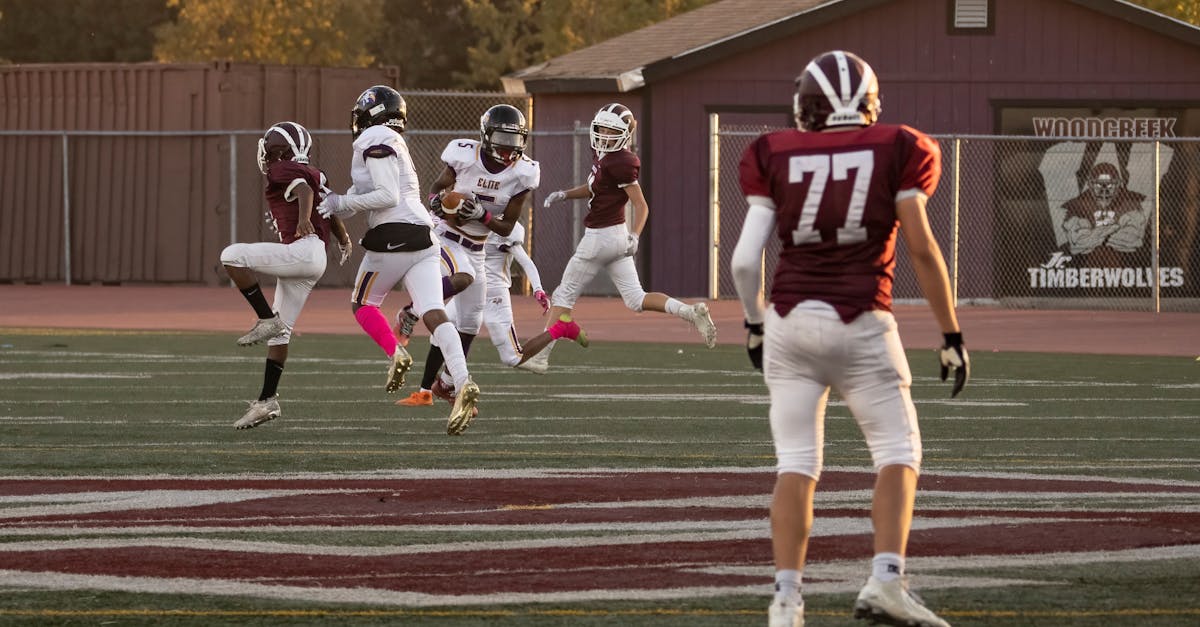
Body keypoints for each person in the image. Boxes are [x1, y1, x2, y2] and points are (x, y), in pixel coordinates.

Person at [730, 51, 969, 627]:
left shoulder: (772, 151)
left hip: (788, 321)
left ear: (805, 106)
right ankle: (886, 580)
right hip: (862, 321)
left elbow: (743, 261)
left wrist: (755, 322)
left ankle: (786, 601)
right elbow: (921, 248)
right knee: (897, 451)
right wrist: (950, 332)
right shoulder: (900, 147)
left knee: (796, 463)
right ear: (869, 104)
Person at [316, 85, 479, 436]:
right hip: (423, 236)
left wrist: (340, 204)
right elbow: (366, 194)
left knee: (363, 304)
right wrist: (335, 199)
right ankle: (463, 380)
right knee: (433, 312)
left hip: (394, 235)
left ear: (371, 113)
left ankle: (396, 353)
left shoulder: (373, 136)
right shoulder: (391, 140)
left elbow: (386, 196)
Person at [396, 104, 586, 403]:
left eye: (514, 139)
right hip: (446, 236)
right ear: (486, 135)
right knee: (463, 277)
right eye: (502, 138)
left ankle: (446, 384)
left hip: (478, 248)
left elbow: (506, 227)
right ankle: (412, 310)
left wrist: (482, 215)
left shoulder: (523, 174)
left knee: (470, 322)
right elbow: (436, 187)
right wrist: (435, 202)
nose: (508, 147)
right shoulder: (464, 155)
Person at [533, 103, 717, 373]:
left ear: (624, 135)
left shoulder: (621, 161)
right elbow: (595, 188)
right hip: (615, 238)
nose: (605, 135)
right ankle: (690, 312)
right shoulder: (605, 155)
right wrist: (565, 194)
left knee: (564, 295)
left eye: (611, 131)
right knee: (636, 299)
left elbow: (641, 205)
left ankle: (540, 356)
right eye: (602, 129)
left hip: (600, 239)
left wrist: (636, 235)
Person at [220, 121, 352, 430]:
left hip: (302, 251)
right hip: (314, 257)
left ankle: (265, 318)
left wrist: (303, 219)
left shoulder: (281, 169)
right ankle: (267, 401)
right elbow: (328, 208)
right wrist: (344, 239)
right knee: (282, 334)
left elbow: (304, 191)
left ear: (277, 152)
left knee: (231, 255)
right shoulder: (317, 172)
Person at [397, 220, 585, 407]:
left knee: (513, 357)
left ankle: (561, 328)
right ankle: (426, 392)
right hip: (471, 288)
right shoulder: (471, 216)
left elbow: (525, 261)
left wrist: (537, 288)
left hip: (494, 294)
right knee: (439, 333)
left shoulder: (504, 226)